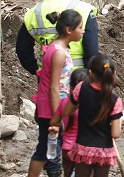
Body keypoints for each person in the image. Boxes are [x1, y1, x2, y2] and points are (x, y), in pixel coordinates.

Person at [17, 0, 99, 75]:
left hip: (47, 77)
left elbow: (22, 50)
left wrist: (36, 70)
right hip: (77, 77)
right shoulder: (85, 10)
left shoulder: (36, 10)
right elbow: (92, 53)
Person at [27, 10, 81, 177]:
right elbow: (54, 87)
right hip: (51, 108)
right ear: (69, 30)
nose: (83, 31)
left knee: (49, 147)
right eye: (80, 27)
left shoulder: (56, 48)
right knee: (46, 149)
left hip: (52, 106)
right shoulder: (58, 52)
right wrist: (56, 117)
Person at [60, 54, 124, 177]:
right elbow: (115, 134)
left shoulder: (80, 88)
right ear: (113, 73)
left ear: (90, 73)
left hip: (83, 147)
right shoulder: (115, 100)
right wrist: (119, 120)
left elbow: (67, 111)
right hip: (104, 150)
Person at [50, 68, 89, 177]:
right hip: (83, 149)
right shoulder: (89, 105)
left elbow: (54, 121)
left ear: (70, 85)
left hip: (66, 149)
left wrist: (63, 125)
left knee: (67, 174)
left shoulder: (63, 103)